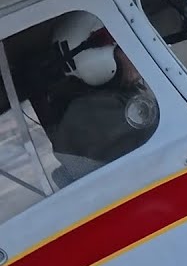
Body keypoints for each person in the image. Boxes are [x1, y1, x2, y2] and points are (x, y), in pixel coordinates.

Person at [47, 11, 159, 183]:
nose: (135, 54)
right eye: (124, 47)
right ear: (95, 59)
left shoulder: (115, 95)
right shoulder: (91, 113)